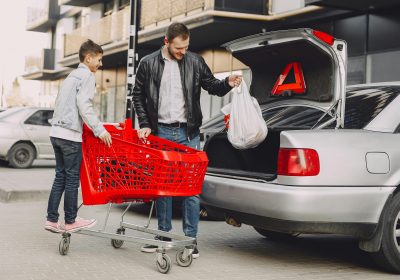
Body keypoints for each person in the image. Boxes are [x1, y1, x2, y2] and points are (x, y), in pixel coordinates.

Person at [133, 22, 241, 258]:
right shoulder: (148, 63)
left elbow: (211, 85)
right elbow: (138, 96)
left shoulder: (195, 61)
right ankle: (164, 236)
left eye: (186, 47)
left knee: (191, 189)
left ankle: (190, 240)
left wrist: (227, 84)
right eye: (179, 48)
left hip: (188, 133)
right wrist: (144, 124)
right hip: (160, 132)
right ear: (167, 42)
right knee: (163, 188)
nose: (183, 52)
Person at [44, 39, 113, 233]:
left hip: (56, 132)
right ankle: (71, 221)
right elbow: (84, 105)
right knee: (72, 178)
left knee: (60, 177)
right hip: (69, 135)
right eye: (99, 60)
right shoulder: (87, 76)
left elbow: (61, 103)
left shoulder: (71, 76)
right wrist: (100, 130)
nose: (101, 64)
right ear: (88, 58)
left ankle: (51, 219)